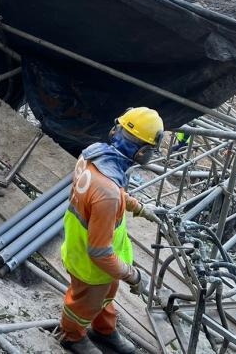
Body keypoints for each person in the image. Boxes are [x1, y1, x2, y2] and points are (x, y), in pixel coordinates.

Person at [59, 107, 164, 353]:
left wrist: (138, 207)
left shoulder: (94, 155)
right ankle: (72, 336)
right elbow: (99, 252)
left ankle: (103, 330)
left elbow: (112, 191)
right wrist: (132, 275)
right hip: (92, 262)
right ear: (142, 152)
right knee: (83, 302)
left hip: (94, 252)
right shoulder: (106, 193)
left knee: (105, 296)